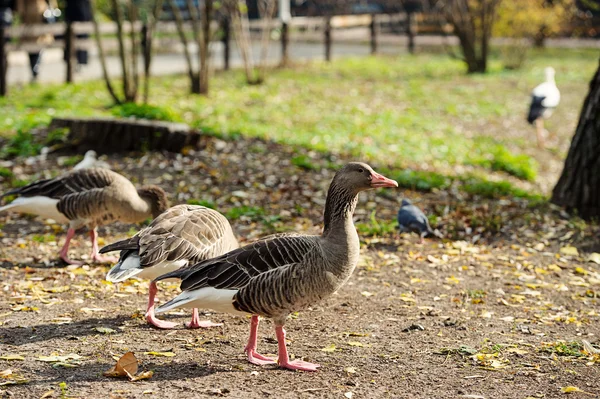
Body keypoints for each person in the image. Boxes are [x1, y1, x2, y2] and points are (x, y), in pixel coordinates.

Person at [15, 0, 53, 82]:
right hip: (29, 17)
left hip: (40, 15)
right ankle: (34, 68)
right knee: (31, 46)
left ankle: (35, 68)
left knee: (40, 44)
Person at [64, 0, 91, 69]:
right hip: (74, 13)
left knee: (81, 38)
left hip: (81, 14)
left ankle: (80, 62)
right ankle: (73, 61)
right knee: (71, 39)